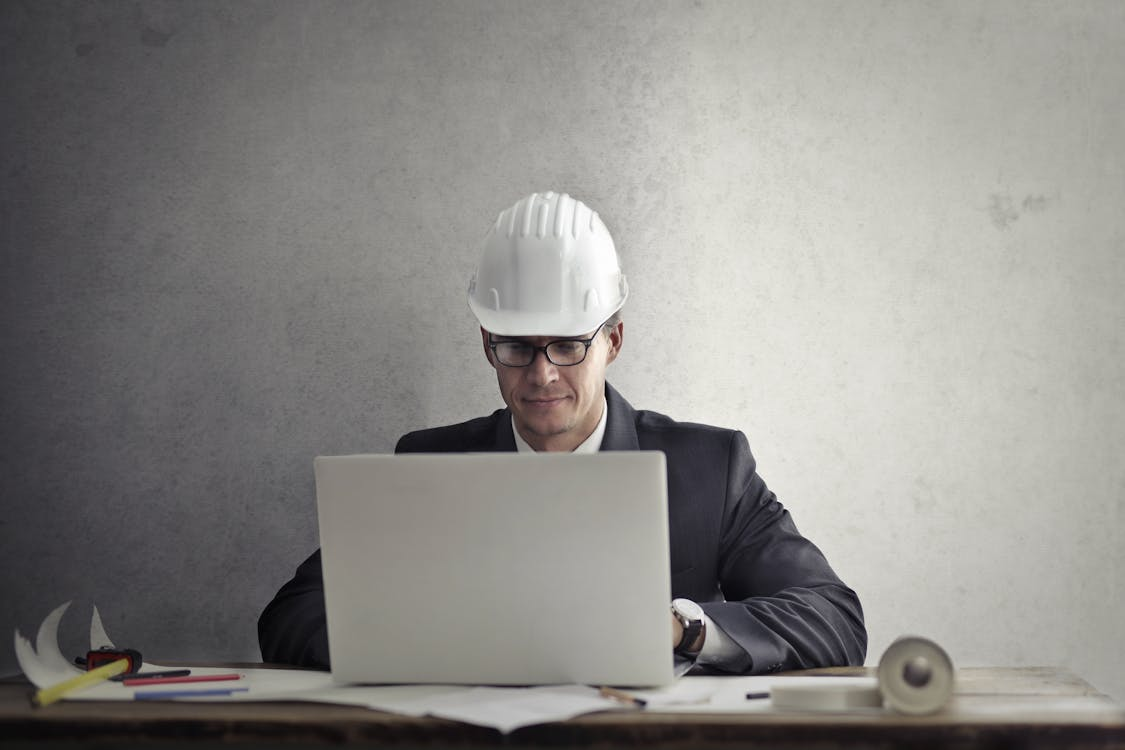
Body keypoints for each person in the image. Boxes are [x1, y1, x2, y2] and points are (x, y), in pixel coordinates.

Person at [259, 191, 867, 674]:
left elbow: (832, 616)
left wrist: (681, 630)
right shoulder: (427, 463)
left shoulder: (711, 466)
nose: (543, 373)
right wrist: (422, 638)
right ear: (487, 346)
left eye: (570, 344)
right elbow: (292, 616)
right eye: (517, 347)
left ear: (613, 341)